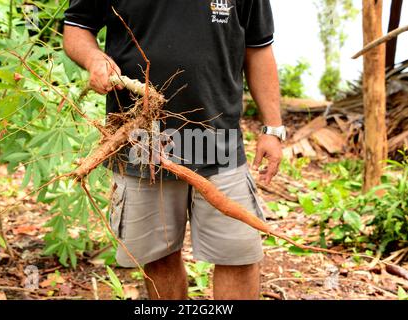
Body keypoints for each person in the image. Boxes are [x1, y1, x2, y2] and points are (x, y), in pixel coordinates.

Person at [63, 0, 285, 300]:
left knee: (240, 255)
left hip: (220, 143)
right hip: (142, 141)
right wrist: (93, 59)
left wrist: (272, 128)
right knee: (159, 258)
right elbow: (77, 26)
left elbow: (258, 47)